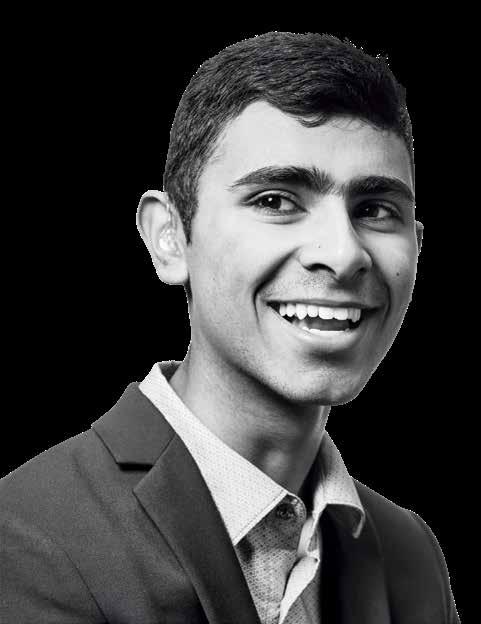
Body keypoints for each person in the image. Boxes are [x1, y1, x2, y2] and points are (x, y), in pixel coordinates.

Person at [0, 31, 460, 623]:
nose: (344, 253)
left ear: (417, 245)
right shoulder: (29, 536)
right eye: (276, 200)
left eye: (375, 210)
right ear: (170, 237)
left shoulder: (411, 555)